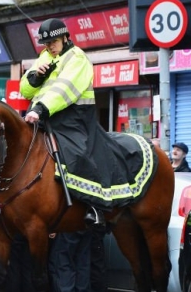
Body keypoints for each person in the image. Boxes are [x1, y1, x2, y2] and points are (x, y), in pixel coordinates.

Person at [20, 18, 135, 228]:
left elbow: (64, 90)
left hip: (74, 119)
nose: (50, 47)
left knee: (78, 154)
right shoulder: (44, 57)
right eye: (46, 44)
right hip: (45, 118)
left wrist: (40, 109)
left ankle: (95, 205)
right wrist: (35, 77)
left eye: (53, 42)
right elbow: (24, 90)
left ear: (65, 37)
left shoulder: (77, 58)